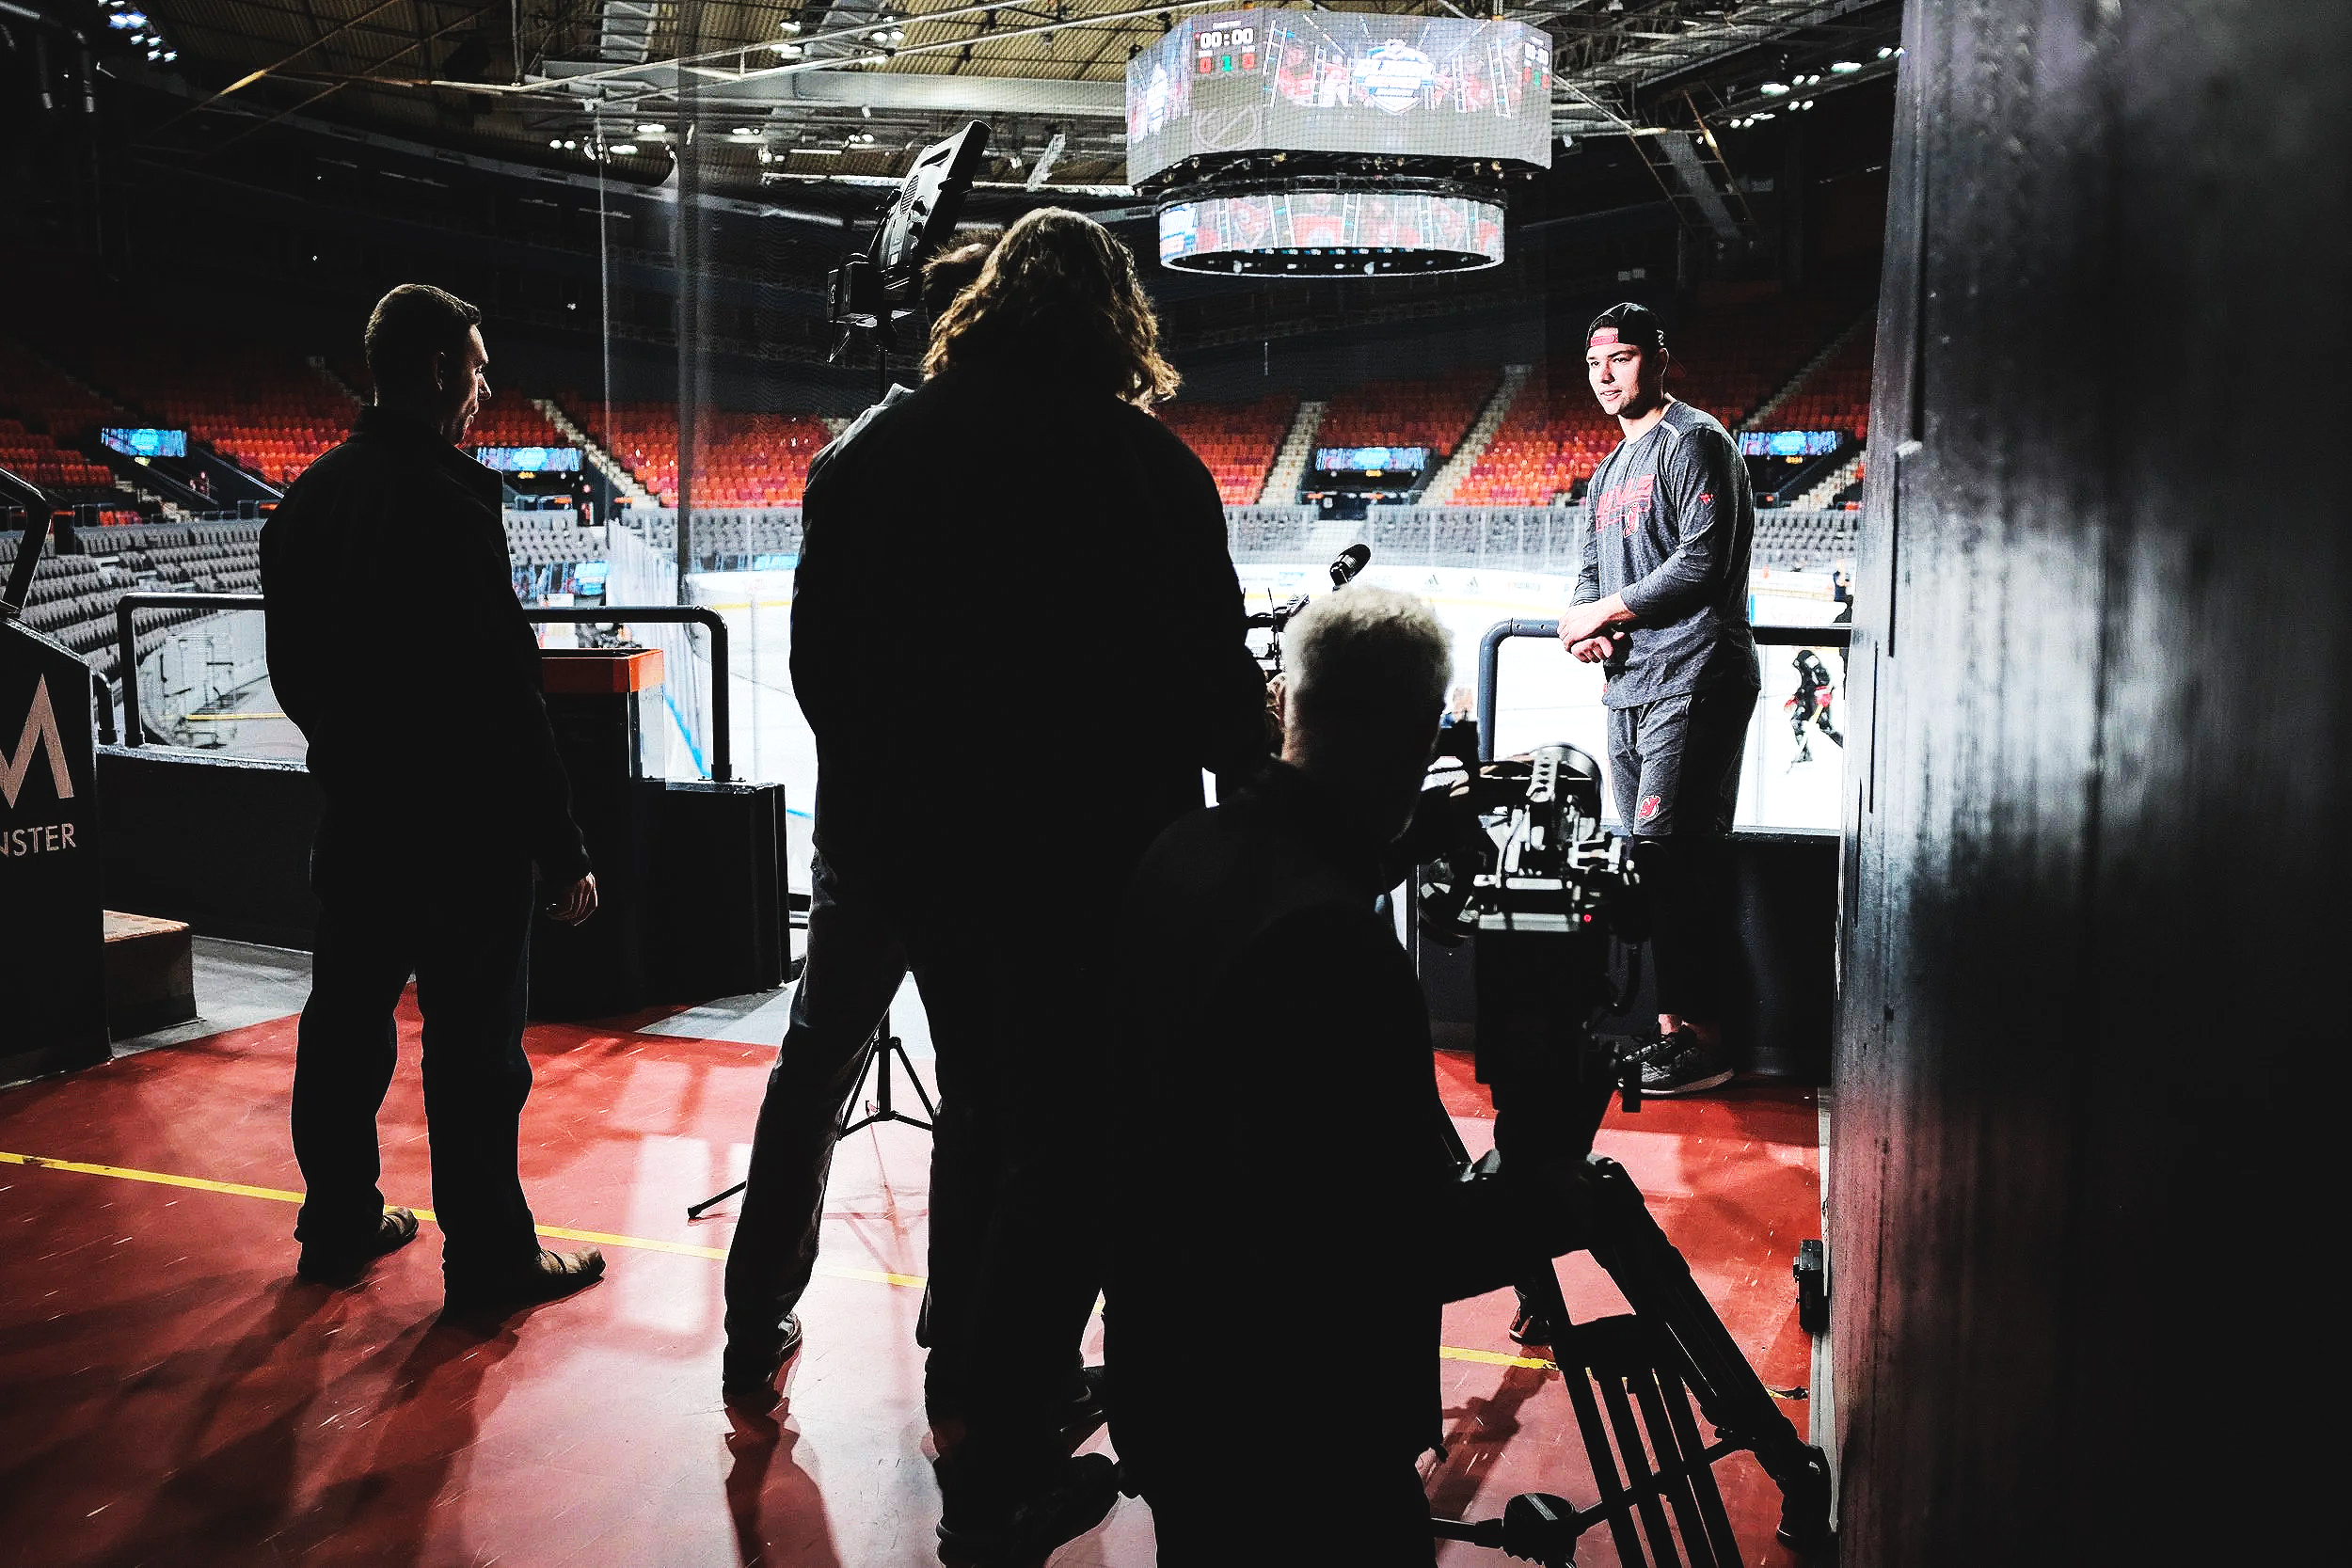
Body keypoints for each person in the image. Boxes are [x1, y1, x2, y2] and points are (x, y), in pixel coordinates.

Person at [787, 209, 1273, 1560]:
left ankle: (975, 1399)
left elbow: (826, 676)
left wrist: (903, 821)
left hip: (931, 862)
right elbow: (1213, 687)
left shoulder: (873, 457)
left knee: (986, 1110)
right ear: (1116, 323)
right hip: (1105, 870)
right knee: (1067, 1145)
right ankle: (1000, 1461)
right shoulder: (1150, 469)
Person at [1108, 589, 1587, 1566]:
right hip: (1305, 1434)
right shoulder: (1338, 951)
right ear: (1421, 736)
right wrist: (1546, 1163)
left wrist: (1388, 846)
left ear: (1289, 704)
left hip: (1170, 1380)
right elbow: (1394, 1246)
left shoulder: (1180, 853)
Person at [261, 283, 606, 1310]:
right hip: (465, 836)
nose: (487, 386)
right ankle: (491, 1258)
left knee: (344, 1026)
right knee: (474, 1053)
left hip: (360, 818)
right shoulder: (456, 501)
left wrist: (358, 755)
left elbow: (292, 676)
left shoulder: (307, 502)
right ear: (439, 370)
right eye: (479, 367)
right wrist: (565, 843)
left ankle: (335, 1223)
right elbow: (506, 693)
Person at [721, 235, 1001, 1409]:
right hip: (984, 838)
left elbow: (815, 673)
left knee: (810, 1070)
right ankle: (967, 1320)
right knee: (985, 1086)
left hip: (869, 834)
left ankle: (753, 1319)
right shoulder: (1016, 460)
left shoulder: (853, 456)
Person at [1555, 301, 1760, 1097]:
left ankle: (1708, 1043)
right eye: (1595, 363)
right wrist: (1588, 627)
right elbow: (1589, 573)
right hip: (1632, 687)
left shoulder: (1695, 441)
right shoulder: (1609, 470)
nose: (1606, 375)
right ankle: (1674, 1030)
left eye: (1624, 358)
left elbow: (1702, 563)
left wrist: (1608, 611)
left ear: (1661, 360)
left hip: (1695, 676)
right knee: (1655, 866)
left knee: (1679, 859)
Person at [1787, 646, 1842, 760]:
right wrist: (1796, 697)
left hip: (1816, 697)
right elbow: (1806, 682)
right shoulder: (1800, 658)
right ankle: (1804, 754)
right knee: (1796, 722)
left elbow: (1820, 672)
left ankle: (1845, 744)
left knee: (1825, 726)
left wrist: (1823, 691)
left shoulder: (1806, 655)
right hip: (1807, 698)